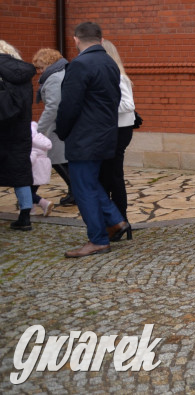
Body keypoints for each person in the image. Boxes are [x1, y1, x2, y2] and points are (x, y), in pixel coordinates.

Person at [56, 23, 130, 256]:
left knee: (83, 189)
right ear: (100, 38)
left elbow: (70, 104)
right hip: (105, 134)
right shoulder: (110, 63)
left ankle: (98, 238)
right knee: (91, 184)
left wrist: (62, 130)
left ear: (76, 39)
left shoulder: (79, 64)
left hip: (84, 138)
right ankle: (116, 220)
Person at [1, 40, 38, 231]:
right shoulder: (24, 73)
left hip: (2, 129)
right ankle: (25, 216)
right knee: (20, 173)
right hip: (20, 129)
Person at [97, 39, 135, 223]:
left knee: (113, 176)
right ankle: (115, 218)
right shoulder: (113, 75)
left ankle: (120, 219)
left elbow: (128, 105)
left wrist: (100, 107)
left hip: (119, 130)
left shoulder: (118, 76)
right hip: (113, 129)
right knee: (108, 175)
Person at [32, 48, 75, 206]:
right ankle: (74, 191)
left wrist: (39, 129)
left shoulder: (53, 78)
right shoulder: (60, 73)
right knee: (59, 158)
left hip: (56, 125)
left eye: (40, 67)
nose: (39, 71)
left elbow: (52, 107)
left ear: (48, 63)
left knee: (56, 158)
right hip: (61, 123)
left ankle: (75, 192)